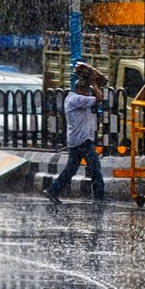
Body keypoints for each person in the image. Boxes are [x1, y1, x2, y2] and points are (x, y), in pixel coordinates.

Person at [43, 62, 107, 205]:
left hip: (77, 140)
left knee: (70, 170)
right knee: (95, 169)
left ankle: (53, 190)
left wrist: (94, 81)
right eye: (87, 91)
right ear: (81, 90)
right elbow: (99, 98)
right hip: (83, 141)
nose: (88, 94)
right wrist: (93, 82)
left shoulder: (73, 99)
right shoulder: (76, 100)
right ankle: (99, 198)